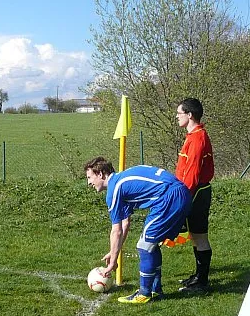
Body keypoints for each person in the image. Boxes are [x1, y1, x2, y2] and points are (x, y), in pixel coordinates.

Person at [84, 157, 191, 304]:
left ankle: (144, 293)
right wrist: (114, 251)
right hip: (178, 194)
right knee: (150, 244)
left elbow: (116, 230)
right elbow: (125, 224)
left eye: (90, 177)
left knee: (144, 245)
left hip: (169, 197)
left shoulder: (115, 189)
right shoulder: (121, 182)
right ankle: (155, 289)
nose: (89, 182)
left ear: (101, 174)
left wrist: (112, 263)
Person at [175, 98, 215, 293]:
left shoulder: (198, 138)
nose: (177, 117)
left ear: (189, 115)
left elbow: (191, 174)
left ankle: (202, 282)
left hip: (196, 193)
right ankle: (198, 275)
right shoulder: (192, 136)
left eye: (179, 113)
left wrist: (182, 199)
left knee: (200, 237)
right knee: (194, 235)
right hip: (192, 192)